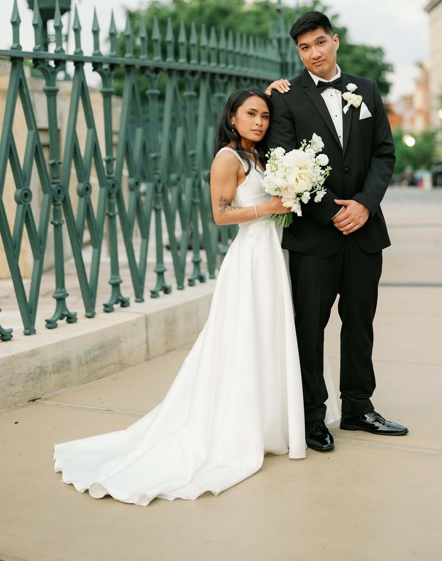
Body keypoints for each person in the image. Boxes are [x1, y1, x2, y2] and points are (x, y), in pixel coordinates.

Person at [53, 90, 337, 505]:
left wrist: (288, 200)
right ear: (233, 118)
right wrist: (271, 206)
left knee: (271, 338)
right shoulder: (228, 158)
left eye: (264, 115)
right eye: (251, 114)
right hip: (250, 259)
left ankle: (272, 421)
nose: (259, 121)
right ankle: (240, 427)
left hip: (272, 255)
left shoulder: (261, 158)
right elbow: (221, 214)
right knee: (244, 338)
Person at [264, 10, 403, 453]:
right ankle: (311, 417)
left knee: (360, 322)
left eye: (320, 43)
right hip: (314, 236)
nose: (313, 53)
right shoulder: (284, 98)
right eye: (304, 47)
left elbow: (384, 153)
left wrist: (365, 204)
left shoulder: (366, 90)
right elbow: (282, 161)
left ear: (335, 41)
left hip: (365, 230)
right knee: (311, 327)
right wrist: (330, 212)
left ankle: (359, 407)